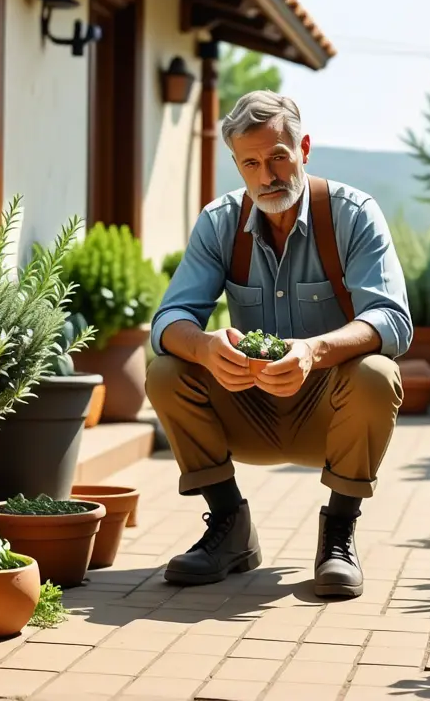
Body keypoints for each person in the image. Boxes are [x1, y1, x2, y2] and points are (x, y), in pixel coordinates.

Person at [145, 90, 412, 599]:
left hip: (330, 416)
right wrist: (204, 348)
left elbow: (392, 320)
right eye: (251, 163)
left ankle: (339, 534)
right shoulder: (219, 222)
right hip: (246, 407)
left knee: (377, 373)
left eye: (278, 157)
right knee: (166, 370)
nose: (266, 175)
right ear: (237, 165)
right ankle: (230, 527)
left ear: (304, 148)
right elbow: (169, 320)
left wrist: (313, 351)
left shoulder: (354, 215)